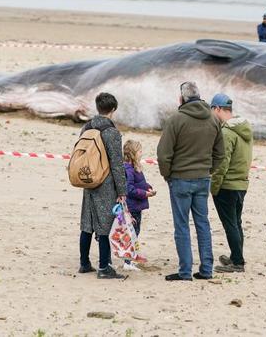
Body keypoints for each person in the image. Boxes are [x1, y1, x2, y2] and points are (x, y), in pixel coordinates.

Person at [156, 81, 225, 281]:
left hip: (180, 179)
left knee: (182, 225)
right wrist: (208, 170)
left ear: (181, 98)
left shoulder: (176, 119)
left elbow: (163, 154)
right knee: (203, 224)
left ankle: (185, 271)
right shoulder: (213, 120)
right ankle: (206, 269)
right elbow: (220, 153)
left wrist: (167, 174)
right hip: (203, 178)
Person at [78, 92, 127, 279]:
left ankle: (84, 263)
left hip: (88, 179)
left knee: (87, 224)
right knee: (105, 225)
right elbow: (117, 164)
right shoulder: (112, 132)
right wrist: (122, 191)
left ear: (98, 108)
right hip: (105, 183)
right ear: (113, 110)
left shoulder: (87, 127)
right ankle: (104, 267)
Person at [209, 94, 253, 273]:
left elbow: (221, 163)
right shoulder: (243, 128)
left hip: (227, 185)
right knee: (236, 222)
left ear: (218, 109)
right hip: (241, 183)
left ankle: (238, 263)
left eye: (212, 110)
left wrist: (213, 187)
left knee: (230, 225)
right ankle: (236, 256)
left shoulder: (227, 132)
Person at [122, 139, 156, 271]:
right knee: (132, 233)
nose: (142, 153)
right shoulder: (128, 169)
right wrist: (144, 194)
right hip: (131, 207)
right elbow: (129, 189)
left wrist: (148, 188)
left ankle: (131, 258)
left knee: (136, 232)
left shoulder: (136, 168)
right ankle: (127, 262)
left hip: (137, 206)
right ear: (133, 153)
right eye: (140, 151)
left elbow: (139, 183)